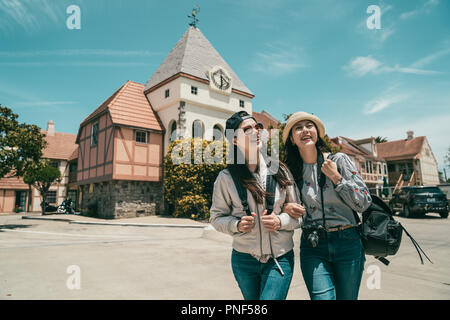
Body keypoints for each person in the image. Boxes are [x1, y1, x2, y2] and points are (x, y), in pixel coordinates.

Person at [209, 111, 304, 300]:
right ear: (234, 140)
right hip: (243, 260)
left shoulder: (281, 170)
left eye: (257, 127)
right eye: (247, 129)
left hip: (279, 258)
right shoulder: (225, 178)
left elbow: (300, 214)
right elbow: (216, 217)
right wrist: (235, 225)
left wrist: (281, 220)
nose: (256, 131)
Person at [282, 111, 372, 300]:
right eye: (298, 128)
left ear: (317, 132)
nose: (304, 130)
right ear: (291, 139)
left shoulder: (338, 160)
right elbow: (282, 206)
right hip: (313, 245)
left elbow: (364, 202)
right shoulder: (291, 172)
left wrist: (337, 178)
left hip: (348, 242)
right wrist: (286, 208)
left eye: (309, 126)